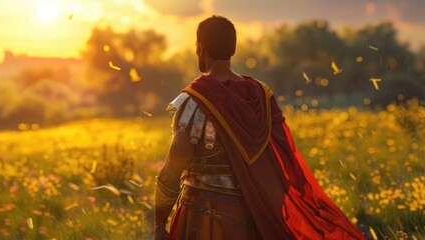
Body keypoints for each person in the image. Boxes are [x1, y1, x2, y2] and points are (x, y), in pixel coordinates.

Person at [153, 15, 365, 240]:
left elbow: (170, 172)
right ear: (233, 49)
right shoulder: (261, 97)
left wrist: (159, 225)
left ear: (200, 47)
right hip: (255, 220)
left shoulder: (193, 100)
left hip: (202, 221)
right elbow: (280, 165)